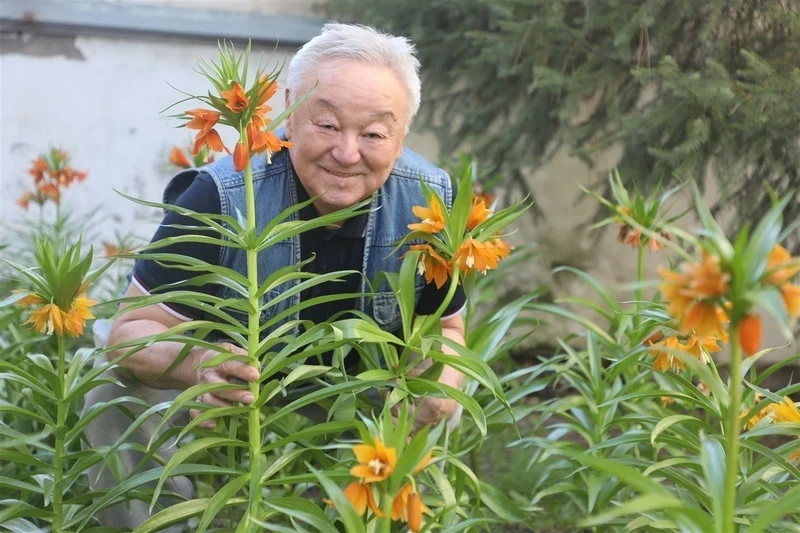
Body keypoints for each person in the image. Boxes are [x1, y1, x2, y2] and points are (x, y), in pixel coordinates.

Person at [83, 22, 467, 529]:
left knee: (446, 399)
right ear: (289, 110)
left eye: (374, 133)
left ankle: (359, 518)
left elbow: (448, 331)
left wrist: (442, 377)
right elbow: (129, 334)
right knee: (113, 391)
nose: (348, 153)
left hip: (358, 388)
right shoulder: (221, 192)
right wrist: (197, 365)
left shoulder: (430, 201)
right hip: (231, 382)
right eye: (327, 125)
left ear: (400, 138)